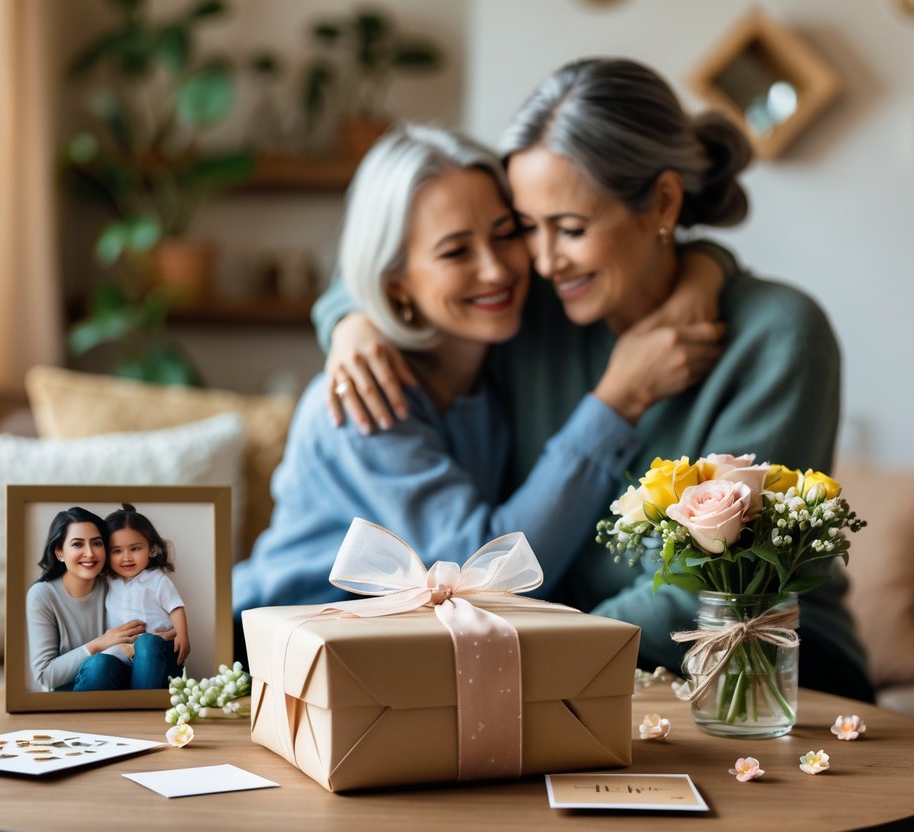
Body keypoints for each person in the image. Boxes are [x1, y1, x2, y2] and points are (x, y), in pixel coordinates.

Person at [314, 58, 873, 701]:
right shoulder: (530, 308)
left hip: (759, 664)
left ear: (663, 202)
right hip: (573, 664)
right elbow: (405, 266)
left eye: (571, 229)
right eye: (527, 227)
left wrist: (539, 651)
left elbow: (721, 591)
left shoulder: (779, 336)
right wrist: (350, 323)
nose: (542, 260)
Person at [233, 123, 723, 631]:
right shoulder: (361, 401)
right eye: (456, 251)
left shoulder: (504, 358)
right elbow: (487, 578)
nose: (496, 270)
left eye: (507, 234)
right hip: (268, 655)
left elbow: (651, 248)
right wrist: (619, 398)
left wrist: (706, 268)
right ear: (394, 281)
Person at [25, 506, 144, 691]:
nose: (90, 553)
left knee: (106, 666)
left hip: (114, 684)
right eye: (77, 544)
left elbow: (135, 640)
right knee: (99, 666)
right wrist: (101, 643)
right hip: (67, 694)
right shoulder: (42, 595)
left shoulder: (116, 586)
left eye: (97, 543)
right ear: (59, 552)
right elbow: (45, 676)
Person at [102, 503, 190, 689]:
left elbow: (176, 607)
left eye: (135, 549)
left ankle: (140, 704)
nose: (126, 557)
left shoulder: (156, 580)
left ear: (151, 549)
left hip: (157, 649)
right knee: (103, 662)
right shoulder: (110, 582)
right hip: (124, 653)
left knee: (147, 643)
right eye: (117, 551)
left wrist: (182, 635)